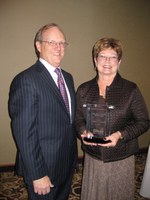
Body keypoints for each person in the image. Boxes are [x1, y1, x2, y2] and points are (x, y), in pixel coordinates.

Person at [8, 23, 77, 200]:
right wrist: (37, 174)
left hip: (66, 160)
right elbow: (25, 133)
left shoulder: (67, 78)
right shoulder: (26, 80)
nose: (58, 47)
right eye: (52, 42)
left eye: (62, 43)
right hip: (43, 167)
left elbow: (66, 119)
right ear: (38, 46)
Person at [75, 37, 150, 200]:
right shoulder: (84, 90)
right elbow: (78, 120)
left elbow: (143, 121)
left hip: (121, 158)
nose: (107, 61)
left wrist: (120, 135)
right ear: (95, 60)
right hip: (93, 157)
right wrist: (83, 131)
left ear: (119, 61)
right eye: (102, 56)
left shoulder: (130, 89)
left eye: (113, 57)